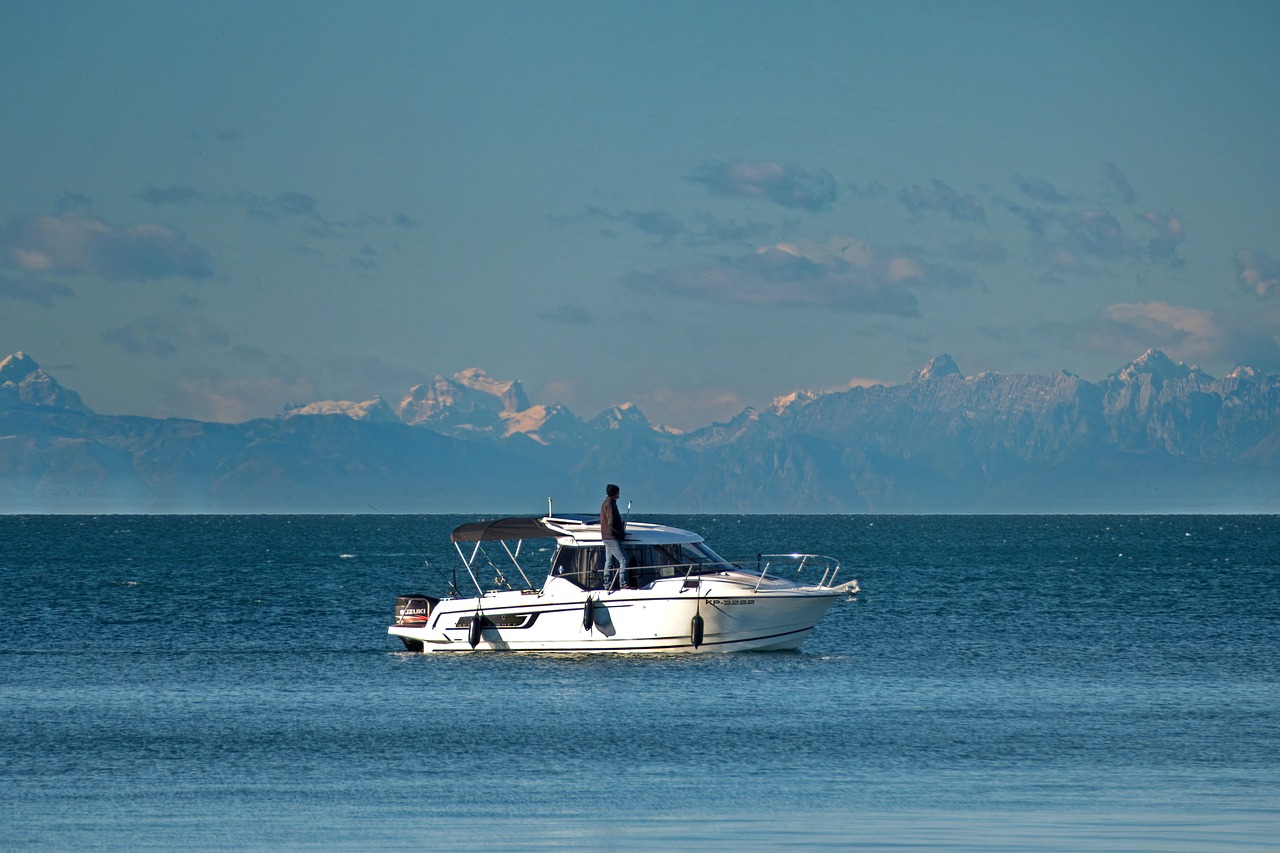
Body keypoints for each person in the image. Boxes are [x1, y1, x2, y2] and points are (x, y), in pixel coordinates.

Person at [600, 483, 628, 590]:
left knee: (609, 561)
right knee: (624, 560)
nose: (619, 494)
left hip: (606, 536)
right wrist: (620, 532)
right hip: (612, 537)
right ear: (614, 493)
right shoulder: (611, 504)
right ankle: (623, 583)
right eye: (618, 492)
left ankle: (607, 583)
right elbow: (611, 522)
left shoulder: (606, 503)